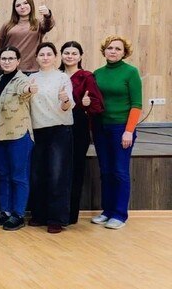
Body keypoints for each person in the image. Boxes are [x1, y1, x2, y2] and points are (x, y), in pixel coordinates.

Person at [91, 35, 142, 229]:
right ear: (104, 51)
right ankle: (107, 211)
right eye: (110, 48)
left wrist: (129, 131)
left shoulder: (131, 72)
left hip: (121, 128)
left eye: (118, 49)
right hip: (101, 128)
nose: (113, 51)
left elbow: (136, 105)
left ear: (124, 53)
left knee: (120, 171)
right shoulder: (97, 73)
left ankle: (120, 214)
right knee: (105, 171)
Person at [28, 42, 75, 234]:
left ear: (55, 57)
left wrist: (65, 100)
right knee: (37, 174)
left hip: (59, 130)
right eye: (42, 54)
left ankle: (56, 219)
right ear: (36, 58)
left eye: (49, 54)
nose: (45, 57)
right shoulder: (31, 78)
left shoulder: (62, 77)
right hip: (38, 130)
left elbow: (67, 105)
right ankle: (39, 214)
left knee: (57, 174)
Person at [0, 46, 34, 231]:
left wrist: (30, 88)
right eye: (3, 58)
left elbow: (26, 90)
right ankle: (5, 212)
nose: (6, 61)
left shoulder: (23, 80)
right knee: (3, 175)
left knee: (18, 176)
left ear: (18, 61)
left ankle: (18, 215)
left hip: (18, 134)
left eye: (10, 58)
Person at [59, 41, 105, 225]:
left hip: (78, 126)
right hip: (56, 126)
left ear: (80, 56)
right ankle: (54, 212)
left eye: (74, 53)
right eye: (66, 52)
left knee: (75, 169)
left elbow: (98, 105)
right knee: (57, 170)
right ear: (61, 55)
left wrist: (87, 104)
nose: (70, 56)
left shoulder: (86, 77)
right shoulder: (56, 75)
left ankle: (70, 215)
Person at [0, 0, 55, 73]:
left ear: (31, 5)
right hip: (10, 69)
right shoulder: (8, 25)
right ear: (14, 9)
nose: (22, 7)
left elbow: (48, 25)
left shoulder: (38, 24)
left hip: (32, 70)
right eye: (18, 5)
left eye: (25, 3)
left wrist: (47, 15)